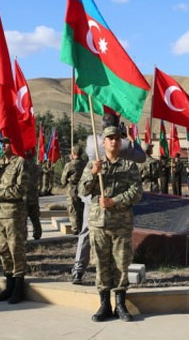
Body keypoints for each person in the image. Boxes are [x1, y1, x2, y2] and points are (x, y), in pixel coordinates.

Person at [72, 113, 145, 285]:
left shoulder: (91, 141)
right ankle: (116, 274)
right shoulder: (124, 144)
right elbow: (142, 157)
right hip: (117, 201)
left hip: (93, 199)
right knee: (118, 240)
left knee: (85, 233)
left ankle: (78, 269)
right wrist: (130, 137)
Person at [79, 125, 142, 322]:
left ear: (121, 141)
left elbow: (136, 192)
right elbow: (82, 190)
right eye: (109, 138)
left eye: (117, 138)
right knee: (101, 264)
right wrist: (93, 173)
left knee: (122, 263)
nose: (113, 141)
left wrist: (115, 201)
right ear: (103, 142)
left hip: (121, 223)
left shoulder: (129, 166)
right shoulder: (93, 165)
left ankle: (121, 304)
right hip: (99, 222)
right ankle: (104, 304)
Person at [0, 137, 30, 304]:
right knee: (2, 250)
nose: (3, 146)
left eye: (6, 142)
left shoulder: (20, 163)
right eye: (1, 143)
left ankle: (18, 287)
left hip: (14, 214)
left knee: (16, 250)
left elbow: (20, 190)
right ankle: (9, 285)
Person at [61, 145, 87, 234]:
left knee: (73, 209)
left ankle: (75, 229)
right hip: (84, 188)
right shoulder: (86, 164)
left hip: (72, 189)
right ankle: (83, 227)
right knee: (82, 209)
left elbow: (63, 180)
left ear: (73, 153)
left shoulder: (69, 165)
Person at [24, 150, 42, 240]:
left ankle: (24, 235)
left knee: (23, 218)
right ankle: (37, 233)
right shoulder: (37, 167)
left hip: (25, 195)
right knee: (35, 217)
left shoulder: (23, 166)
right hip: (34, 195)